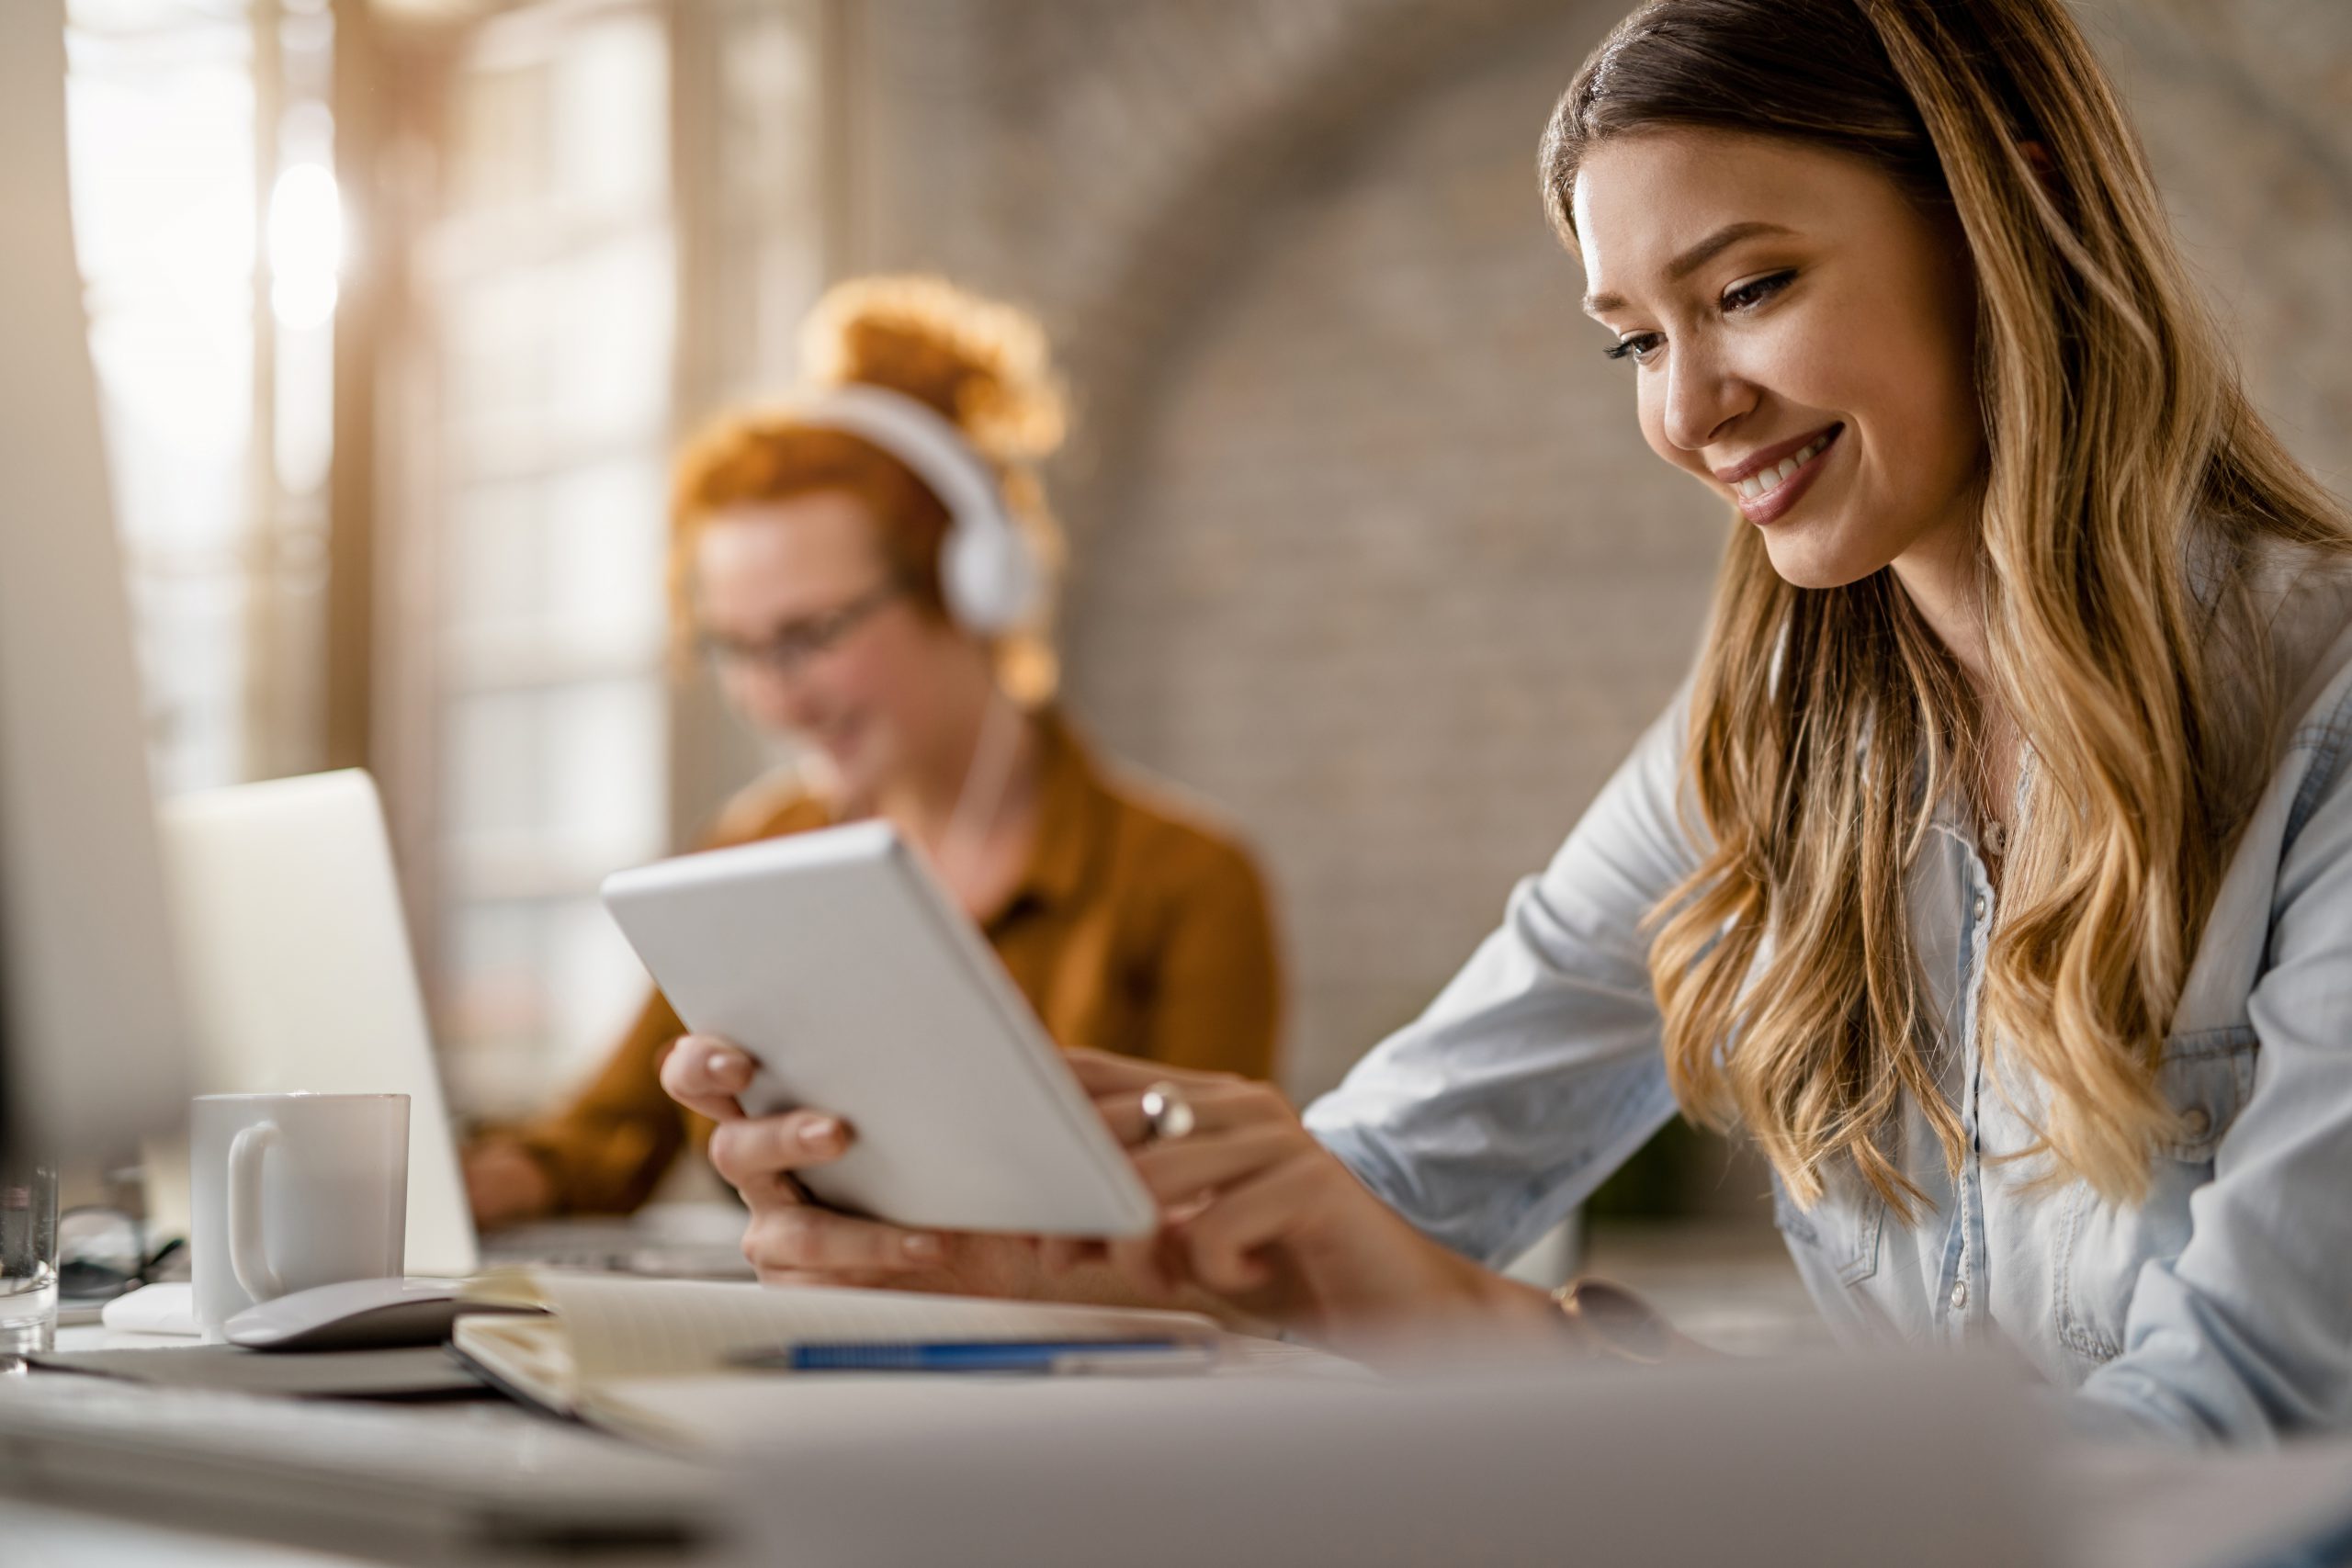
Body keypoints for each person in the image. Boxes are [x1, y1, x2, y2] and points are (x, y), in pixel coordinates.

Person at [660, 0, 2352, 1444]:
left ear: (2006, 211)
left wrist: (1497, 1337)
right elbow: (1405, 1165)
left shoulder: (2323, 720)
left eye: (1749, 288)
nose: (1689, 411)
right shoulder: (1767, 735)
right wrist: (1051, 1230)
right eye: (1632, 340)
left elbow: (2228, 1444)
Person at [465, 276, 1283, 1229]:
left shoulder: (1185, 882)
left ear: (969, 590)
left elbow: (1219, 1230)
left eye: (812, 633)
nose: (774, 691)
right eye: (736, 645)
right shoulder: (753, 852)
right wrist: (432, 1193)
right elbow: (602, 1143)